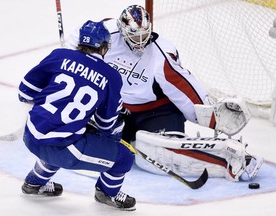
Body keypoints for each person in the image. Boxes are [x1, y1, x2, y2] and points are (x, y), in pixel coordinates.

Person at [67, 5, 263, 182]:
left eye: (144, 35)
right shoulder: (105, 33)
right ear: (123, 29)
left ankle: (231, 159)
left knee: (160, 154)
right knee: (82, 131)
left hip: (156, 112)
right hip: (116, 109)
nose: (141, 42)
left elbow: (184, 90)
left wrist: (211, 116)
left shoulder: (161, 54)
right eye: (135, 36)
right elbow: (75, 43)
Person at [18, 20, 136, 211]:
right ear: (105, 47)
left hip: (30, 135)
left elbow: (24, 93)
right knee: (124, 157)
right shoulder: (111, 76)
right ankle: (107, 193)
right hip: (65, 150)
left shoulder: (60, 55)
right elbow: (106, 126)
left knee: (59, 136)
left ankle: (34, 182)